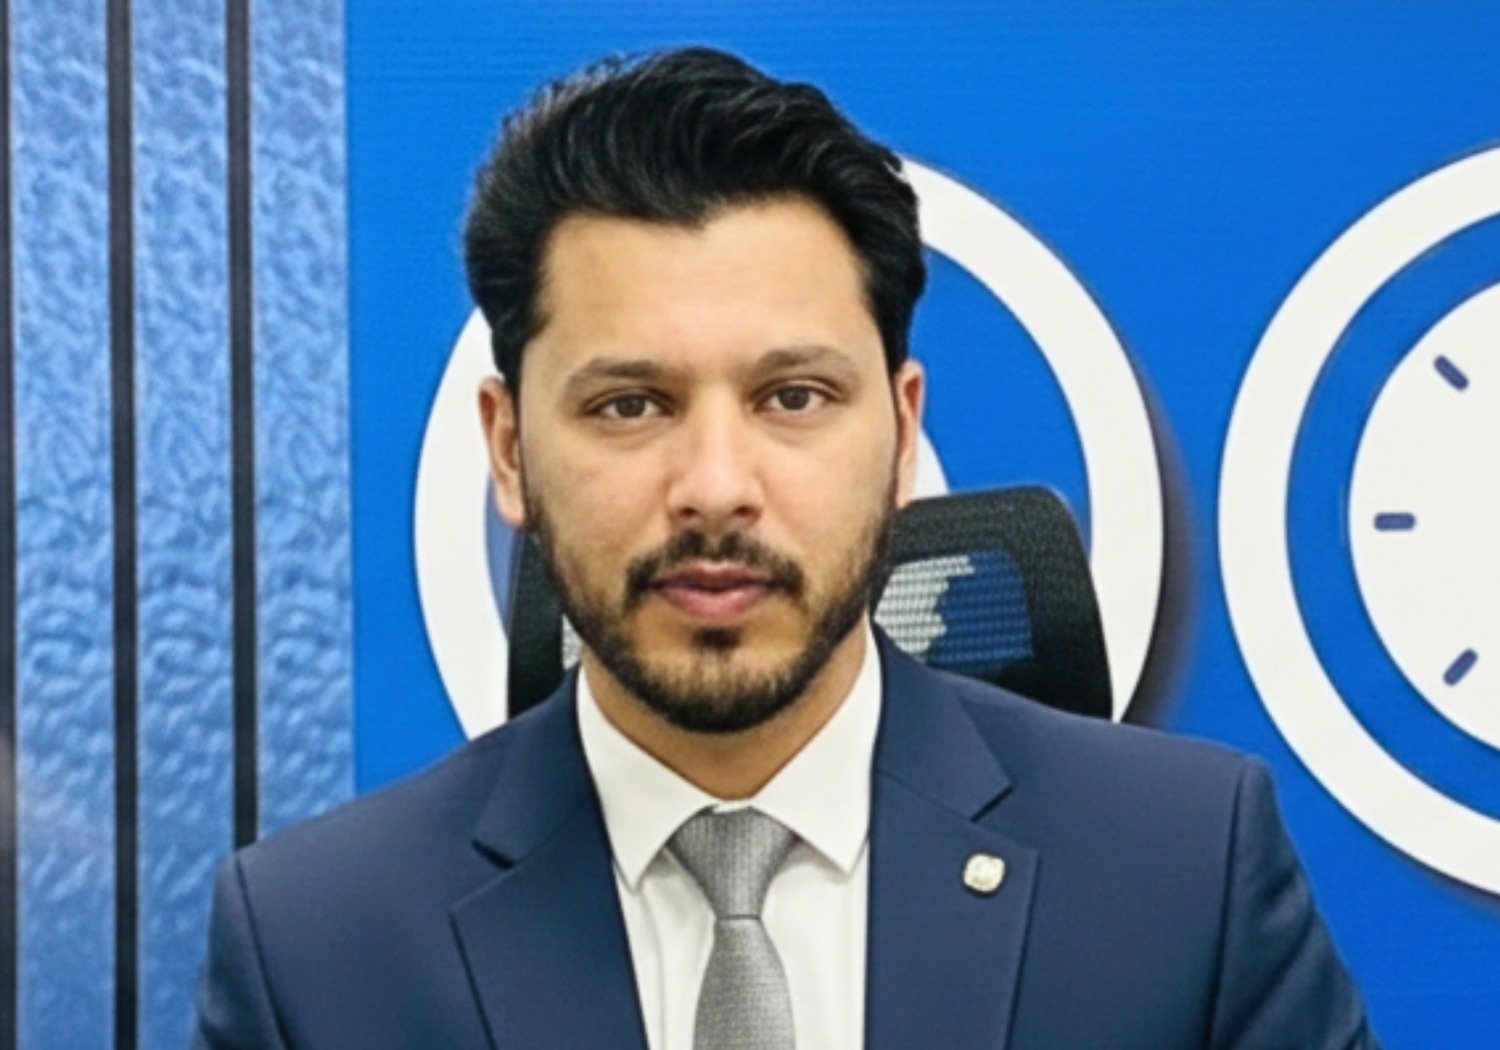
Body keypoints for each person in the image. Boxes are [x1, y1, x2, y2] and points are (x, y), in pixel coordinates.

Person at [193, 47, 1377, 1049]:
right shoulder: (318, 950)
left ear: (902, 432)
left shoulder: (1185, 876)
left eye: (794, 398)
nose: (716, 489)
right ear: (508, 451)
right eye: (630, 406)